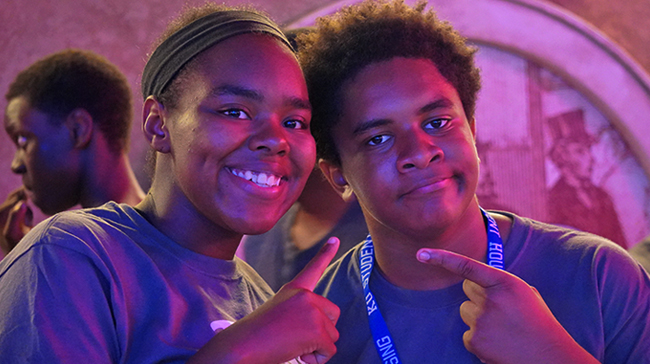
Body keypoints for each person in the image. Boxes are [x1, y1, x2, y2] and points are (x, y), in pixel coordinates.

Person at [298, 0, 650, 363]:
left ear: (472, 130)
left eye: (438, 123)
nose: (419, 153)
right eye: (378, 139)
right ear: (336, 173)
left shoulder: (597, 275)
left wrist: (549, 354)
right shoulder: (319, 322)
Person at [0, 4, 341, 363]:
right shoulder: (73, 254)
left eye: (295, 121)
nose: (276, 139)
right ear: (158, 124)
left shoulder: (262, 298)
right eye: (234, 111)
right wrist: (242, 351)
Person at [240, 27, 369, 291]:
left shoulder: (382, 239)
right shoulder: (262, 235)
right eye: (241, 114)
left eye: (292, 122)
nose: (265, 140)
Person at [1, 49, 146, 256]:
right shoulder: (161, 234)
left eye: (23, 140)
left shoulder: (61, 244)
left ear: (78, 129)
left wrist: (32, 258)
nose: (16, 165)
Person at [546, 109, 627, 248]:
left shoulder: (603, 197)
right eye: (580, 151)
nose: (591, 158)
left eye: (589, 149)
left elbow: (622, 248)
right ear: (562, 156)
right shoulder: (553, 200)